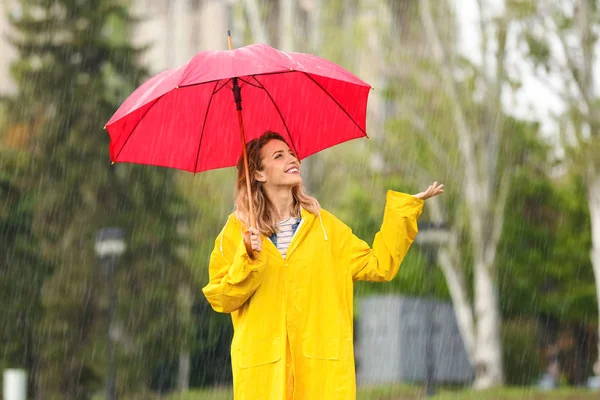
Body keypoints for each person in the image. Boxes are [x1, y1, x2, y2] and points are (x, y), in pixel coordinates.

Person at [202, 131, 444, 399]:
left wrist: (403, 212)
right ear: (259, 174)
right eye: (278, 156)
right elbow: (221, 299)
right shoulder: (236, 232)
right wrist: (246, 257)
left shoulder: (326, 227)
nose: (292, 159)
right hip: (264, 379)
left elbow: (378, 264)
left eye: (291, 153)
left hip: (320, 376)